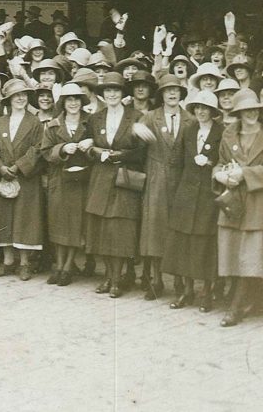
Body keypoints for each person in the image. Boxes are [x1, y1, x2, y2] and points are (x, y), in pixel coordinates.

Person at [82, 72, 147, 298]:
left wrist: (121, 155)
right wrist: (96, 152)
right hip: (101, 179)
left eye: (116, 90)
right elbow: (87, 147)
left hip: (124, 179)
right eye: (108, 90)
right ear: (103, 94)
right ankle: (108, 277)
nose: (111, 94)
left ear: (122, 93)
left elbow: (143, 152)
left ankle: (118, 280)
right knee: (102, 231)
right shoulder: (95, 118)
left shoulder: (136, 117)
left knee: (120, 231)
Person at [163, 89, 222, 312]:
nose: (201, 112)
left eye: (205, 108)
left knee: (204, 244)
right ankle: (186, 292)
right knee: (183, 244)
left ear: (212, 111)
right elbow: (177, 162)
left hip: (208, 196)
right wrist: (175, 192)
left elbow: (224, 160)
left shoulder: (221, 132)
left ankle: (206, 293)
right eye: (197, 108)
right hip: (186, 196)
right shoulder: (188, 130)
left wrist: (208, 163)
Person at [0, 78, 45, 281]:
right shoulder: (0, 122)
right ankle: (8, 261)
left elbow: (38, 149)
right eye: (15, 96)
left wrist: (18, 167)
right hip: (2, 176)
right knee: (4, 217)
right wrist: (0, 168)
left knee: (24, 219)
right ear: (8, 100)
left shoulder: (34, 122)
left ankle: (25, 263)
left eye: (23, 95)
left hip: (24, 177)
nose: (20, 98)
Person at [214, 88, 263, 327]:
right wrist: (221, 176)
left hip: (257, 203)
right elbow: (220, 163)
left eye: (254, 108)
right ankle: (247, 301)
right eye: (246, 110)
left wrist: (245, 173)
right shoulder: (229, 135)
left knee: (251, 256)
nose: (251, 113)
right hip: (233, 203)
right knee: (233, 254)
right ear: (239, 113)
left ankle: (237, 307)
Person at [139, 74, 189, 300]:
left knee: (177, 230)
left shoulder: (190, 119)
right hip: (156, 179)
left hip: (180, 180)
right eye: (168, 91)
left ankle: (179, 280)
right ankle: (155, 281)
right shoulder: (150, 117)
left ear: (181, 94)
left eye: (176, 90)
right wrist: (136, 131)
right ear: (161, 95)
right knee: (155, 230)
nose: (172, 94)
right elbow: (134, 140)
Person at [41, 83, 91, 286]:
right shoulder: (53, 125)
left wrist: (90, 145)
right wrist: (62, 149)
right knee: (58, 224)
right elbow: (45, 152)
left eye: (76, 99)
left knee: (75, 225)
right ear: (63, 103)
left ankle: (68, 266)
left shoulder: (90, 123)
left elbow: (98, 144)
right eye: (69, 99)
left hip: (81, 180)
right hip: (59, 180)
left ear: (81, 102)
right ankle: (59, 265)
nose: (73, 103)